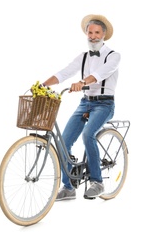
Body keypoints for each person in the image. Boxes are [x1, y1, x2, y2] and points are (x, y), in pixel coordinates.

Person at [42, 14, 121, 200]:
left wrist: (82, 82)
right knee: (63, 141)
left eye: (97, 33)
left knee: (88, 134)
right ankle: (68, 188)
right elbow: (65, 72)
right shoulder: (83, 56)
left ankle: (97, 182)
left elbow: (100, 73)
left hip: (104, 104)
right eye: (90, 33)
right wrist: (43, 85)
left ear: (103, 35)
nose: (92, 36)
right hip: (85, 103)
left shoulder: (114, 56)